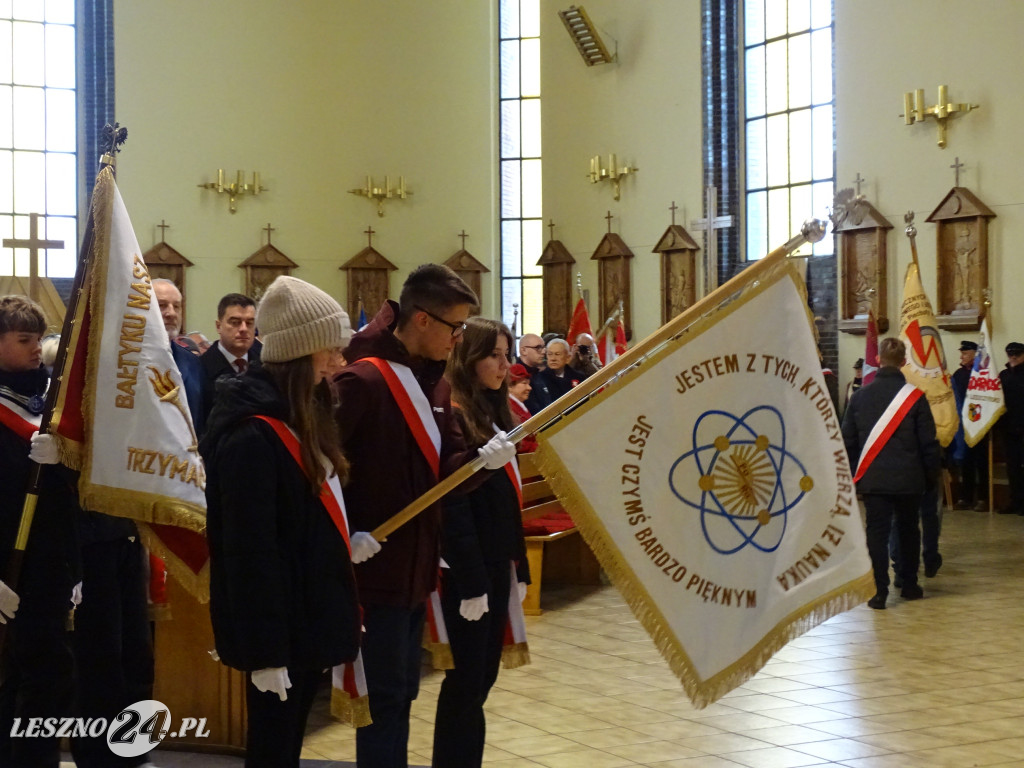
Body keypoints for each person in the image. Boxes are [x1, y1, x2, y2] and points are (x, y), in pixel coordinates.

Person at [334, 264, 515, 768]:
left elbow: (446, 472)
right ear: (420, 320)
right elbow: (323, 469)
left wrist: (482, 462)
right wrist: (346, 530)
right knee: (384, 702)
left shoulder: (434, 386)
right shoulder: (362, 379)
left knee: (403, 694)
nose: (458, 340)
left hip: (418, 571)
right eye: (454, 328)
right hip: (375, 572)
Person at [200, 276, 361, 768]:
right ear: (299, 353)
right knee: (272, 745)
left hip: (305, 617)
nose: (338, 362)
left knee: (289, 743)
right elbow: (249, 553)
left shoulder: (301, 413)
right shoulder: (252, 436)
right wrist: (265, 651)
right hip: (278, 627)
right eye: (329, 351)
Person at [432, 317, 530, 768]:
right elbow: (452, 505)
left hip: (495, 563)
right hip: (467, 570)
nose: (504, 365)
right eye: (494, 355)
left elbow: (509, 500)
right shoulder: (454, 413)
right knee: (467, 683)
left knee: (481, 681)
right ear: (469, 358)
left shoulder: (495, 412)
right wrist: (472, 582)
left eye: (507, 355)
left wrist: (520, 567)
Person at [0, 295, 78, 768]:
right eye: (24, 340)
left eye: (39, 338)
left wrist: (65, 460)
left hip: (48, 560)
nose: (36, 348)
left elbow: (73, 492)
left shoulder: (53, 398)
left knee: (50, 674)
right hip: (4, 563)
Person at [842, 337, 940, 609]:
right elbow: (928, 443)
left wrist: (853, 476)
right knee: (909, 530)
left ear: (877, 360)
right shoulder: (916, 398)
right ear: (904, 362)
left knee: (876, 533)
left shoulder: (860, 396)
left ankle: (878, 591)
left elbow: (847, 440)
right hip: (910, 479)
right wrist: (931, 477)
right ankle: (908, 584)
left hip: (873, 479)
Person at [199, 293, 262, 425]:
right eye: (235, 322)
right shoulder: (200, 368)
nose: (244, 329)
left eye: (249, 323)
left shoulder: (265, 363)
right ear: (218, 326)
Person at [153, 278, 204, 435]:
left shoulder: (193, 362)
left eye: (176, 306)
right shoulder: (127, 360)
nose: (171, 313)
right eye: (162, 305)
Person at [951, 340, 988, 510]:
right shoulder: (958, 374)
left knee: (981, 461)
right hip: (963, 423)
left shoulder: (983, 373)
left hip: (980, 422)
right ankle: (965, 497)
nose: (962, 356)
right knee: (965, 461)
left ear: (975, 354)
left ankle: (983, 498)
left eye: (965, 353)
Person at [998, 341, 1024, 515]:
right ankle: (1016, 501)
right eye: (1010, 354)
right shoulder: (1003, 375)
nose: (1013, 357)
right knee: (1013, 468)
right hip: (1009, 429)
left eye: (1017, 354)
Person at [514, 333, 551, 415]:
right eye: (538, 348)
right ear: (524, 350)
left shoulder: (538, 373)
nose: (543, 352)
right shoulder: (515, 376)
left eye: (544, 347)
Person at [507, 363, 538, 453]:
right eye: (524, 383)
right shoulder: (510, 409)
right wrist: (538, 447)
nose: (529, 388)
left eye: (529, 383)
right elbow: (514, 441)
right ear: (510, 386)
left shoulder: (520, 405)